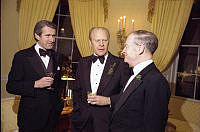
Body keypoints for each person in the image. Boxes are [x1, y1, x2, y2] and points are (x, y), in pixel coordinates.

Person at [6, 20, 64, 132]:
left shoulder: (58, 57)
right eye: (48, 36)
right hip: (30, 119)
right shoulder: (22, 56)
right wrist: (35, 84)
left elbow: (58, 86)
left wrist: (58, 108)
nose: (52, 40)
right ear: (37, 36)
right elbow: (11, 86)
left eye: (53, 36)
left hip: (52, 120)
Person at [109, 30, 171, 132]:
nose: (123, 51)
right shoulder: (138, 75)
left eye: (127, 46)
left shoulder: (156, 81)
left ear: (140, 49)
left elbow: (153, 127)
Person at [71, 27, 130, 132]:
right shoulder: (82, 63)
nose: (101, 44)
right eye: (97, 40)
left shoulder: (121, 64)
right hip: (82, 121)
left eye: (104, 40)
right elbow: (77, 90)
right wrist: (77, 112)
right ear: (90, 43)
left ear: (108, 41)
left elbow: (127, 94)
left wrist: (108, 101)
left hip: (107, 123)